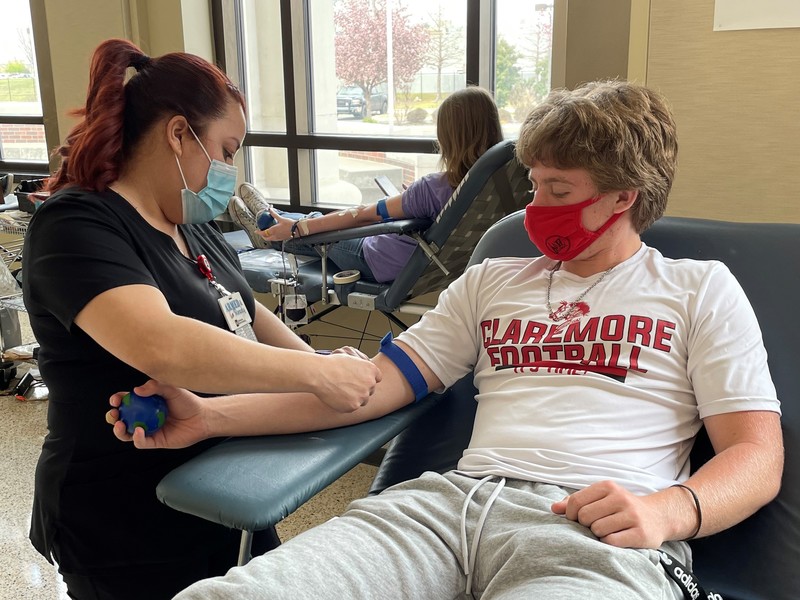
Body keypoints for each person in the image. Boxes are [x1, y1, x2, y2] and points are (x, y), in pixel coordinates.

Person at [109, 80, 783, 599]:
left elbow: (755, 454)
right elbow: (370, 389)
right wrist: (211, 417)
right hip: (446, 509)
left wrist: (669, 512)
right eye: (533, 184)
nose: (533, 208)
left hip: (592, 536)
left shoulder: (698, 289)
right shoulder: (492, 281)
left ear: (623, 197)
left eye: (557, 189)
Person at [22, 38, 380, 600]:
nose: (231, 171)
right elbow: (163, 345)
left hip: (220, 486)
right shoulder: (76, 225)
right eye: (228, 149)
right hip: (121, 515)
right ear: (178, 134)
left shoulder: (188, 224)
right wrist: (315, 379)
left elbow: (244, 309)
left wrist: (316, 361)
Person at [228, 85, 504, 283]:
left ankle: (266, 230)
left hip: (376, 258)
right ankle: (273, 216)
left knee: (317, 231)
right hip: (417, 260)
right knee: (317, 220)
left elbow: (362, 214)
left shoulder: (434, 187)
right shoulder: (495, 185)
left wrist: (299, 228)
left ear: (449, 137)